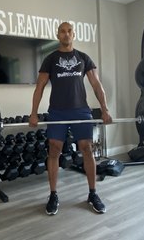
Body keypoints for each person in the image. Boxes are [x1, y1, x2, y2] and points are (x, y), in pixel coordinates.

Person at [29, 21, 112, 215]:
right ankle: (53, 194)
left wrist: (105, 110)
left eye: (69, 31)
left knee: (87, 149)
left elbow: (96, 85)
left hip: (81, 110)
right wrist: (33, 113)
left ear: (73, 34)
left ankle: (92, 193)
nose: (66, 34)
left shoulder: (83, 58)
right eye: (62, 31)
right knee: (54, 151)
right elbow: (39, 87)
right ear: (58, 35)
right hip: (57, 111)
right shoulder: (50, 59)